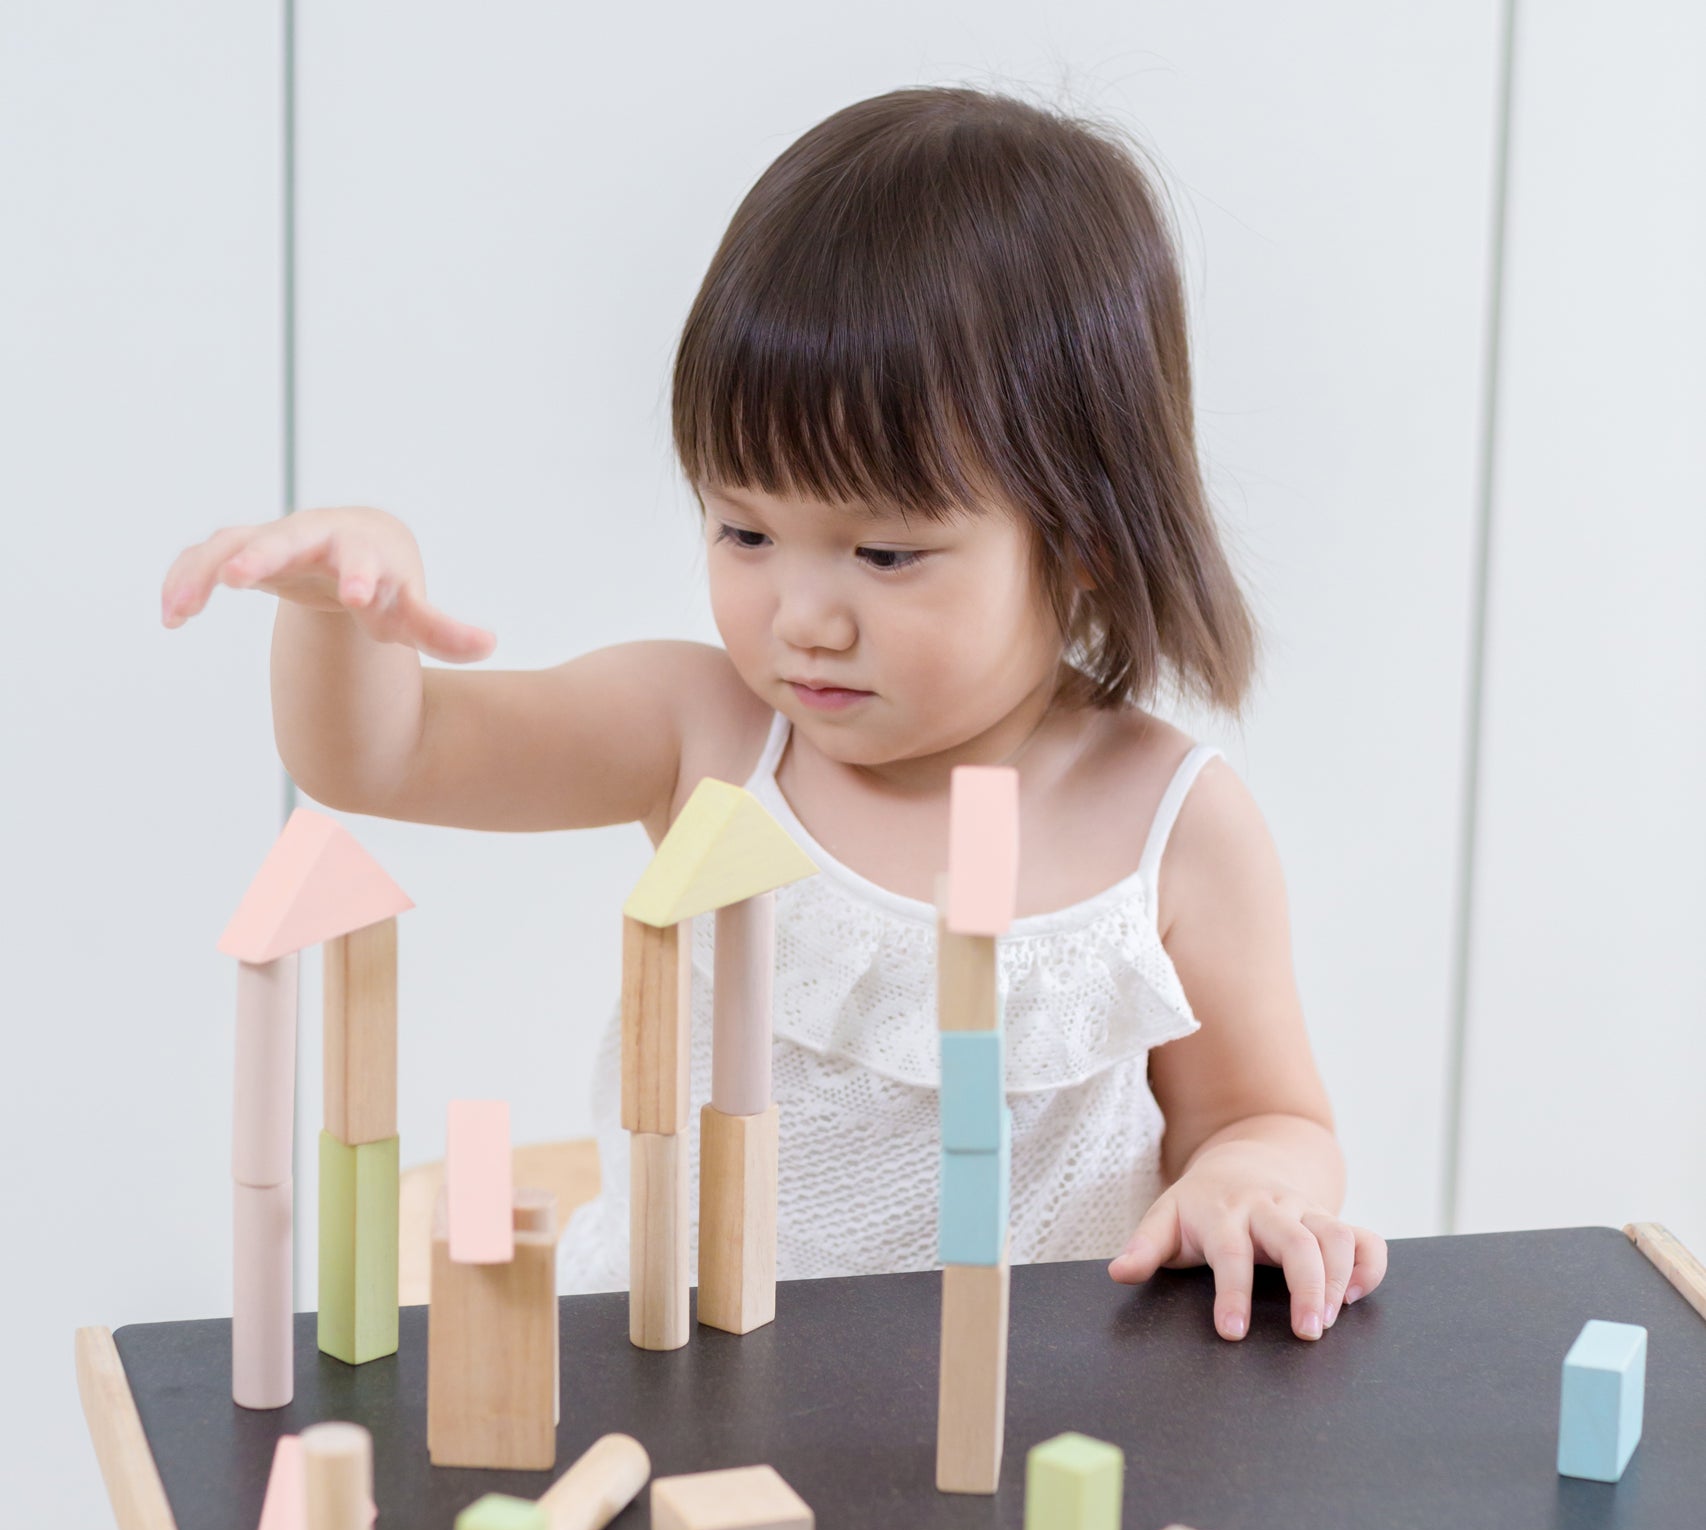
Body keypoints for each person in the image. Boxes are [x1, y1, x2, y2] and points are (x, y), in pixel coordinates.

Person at [161, 84, 1387, 1342]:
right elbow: (383, 754)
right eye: (744, 529)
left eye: (885, 553)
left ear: (1079, 541)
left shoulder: (1169, 827)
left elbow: (1260, 1116)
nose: (803, 615)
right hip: (674, 1376)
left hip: (1006, 1422)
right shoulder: (703, 732)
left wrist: (1246, 1187)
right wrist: (332, 611)